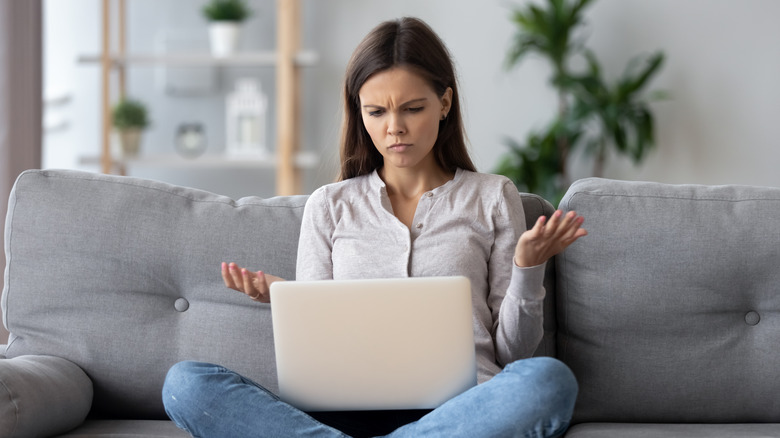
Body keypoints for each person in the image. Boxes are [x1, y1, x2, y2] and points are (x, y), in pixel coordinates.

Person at [162, 16, 586, 438]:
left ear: (444, 103)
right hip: (343, 412)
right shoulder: (329, 205)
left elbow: (512, 353)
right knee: (186, 384)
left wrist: (527, 270)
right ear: (358, 112)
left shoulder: (492, 197)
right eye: (376, 111)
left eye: (412, 108)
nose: (394, 128)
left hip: (460, 408)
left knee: (549, 381)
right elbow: (317, 358)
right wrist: (288, 299)